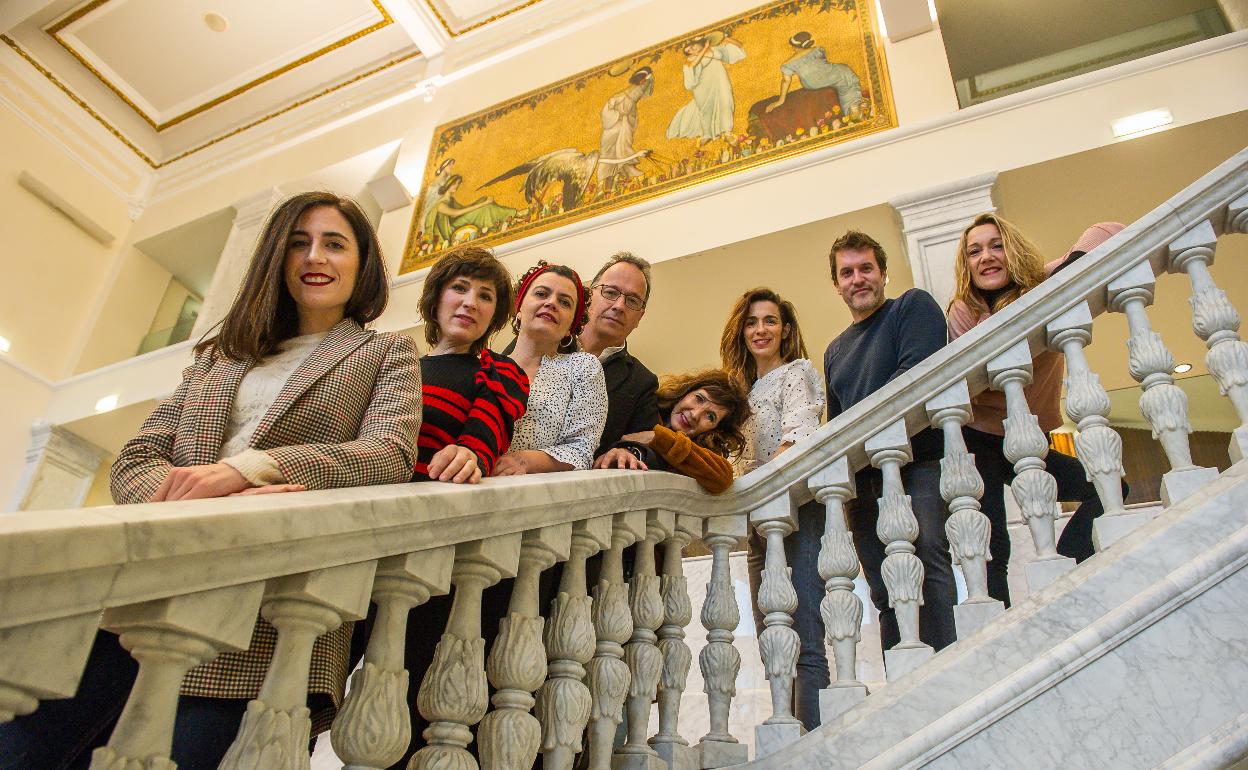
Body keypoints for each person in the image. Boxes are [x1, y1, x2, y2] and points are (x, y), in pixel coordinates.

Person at [0, 192, 421, 769]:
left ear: (362, 263)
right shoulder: (218, 356)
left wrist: (246, 472)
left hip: (265, 613)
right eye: (297, 243)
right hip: (139, 591)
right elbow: (135, 459)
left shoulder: (386, 352)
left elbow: (388, 455)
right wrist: (185, 494)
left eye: (334, 244)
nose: (314, 257)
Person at [947, 215, 1127, 606]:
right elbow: (987, 369)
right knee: (994, 542)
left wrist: (1067, 274)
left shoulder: (1043, 285)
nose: (986, 257)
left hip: (1028, 436)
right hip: (979, 440)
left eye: (996, 245)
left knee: (1112, 488)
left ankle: (1065, 562)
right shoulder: (964, 310)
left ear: (1013, 249)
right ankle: (1000, 624)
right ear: (966, 266)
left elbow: (1108, 229)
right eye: (974, 251)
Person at [823, 230, 957, 660]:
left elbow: (916, 379)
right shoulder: (835, 350)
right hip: (864, 486)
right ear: (836, 284)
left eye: (866, 269)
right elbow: (838, 423)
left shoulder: (911, 307)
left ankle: (946, 665)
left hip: (918, 464)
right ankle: (903, 670)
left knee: (928, 562)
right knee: (883, 587)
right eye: (847, 272)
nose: (857, 279)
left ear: (883, 273)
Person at [720, 287, 827, 730]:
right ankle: (788, 726)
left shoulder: (796, 373)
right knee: (772, 634)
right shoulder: (738, 392)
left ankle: (814, 737)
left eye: (769, 321)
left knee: (804, 631)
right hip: (757, 524)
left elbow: (796, 439)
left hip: (795, 513)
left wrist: (752, 488)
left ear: (785, 330)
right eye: (751, 322)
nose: (760, 329)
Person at [412, 246, 529, 483]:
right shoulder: (398, 363)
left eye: (485, 296)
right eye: (459, 288)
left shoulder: (497, 371)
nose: (470, 303)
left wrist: (469, 455)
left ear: (493, 317)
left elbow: (482, 441)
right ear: (436, 298)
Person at [495, 261, 608, 475]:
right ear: (519, 309)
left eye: (565, 302)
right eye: (541, 294)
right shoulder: (486, 365)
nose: (551, 303)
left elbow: (580, 450)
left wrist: (522, 462)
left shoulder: (582, 368)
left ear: (570, 328)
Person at [596, 368, 750, 493]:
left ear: (716, 429)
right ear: (686, 391)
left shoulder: (699, 451)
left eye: (710, 416)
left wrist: (660, 438)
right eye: (699, 398)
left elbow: (722, 478)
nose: (695, 414)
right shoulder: (645, 405)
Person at [582, 252, 662, 460]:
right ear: (589, 296)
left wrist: (629, 452)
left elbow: (651, 447)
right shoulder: (543, 342)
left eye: (633, 301)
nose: (619, 306)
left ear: (640, 317)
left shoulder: (641, 382)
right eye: (610, 292)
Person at [666, 31, 746, 144]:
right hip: (702, 87)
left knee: (726, 103)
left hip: (720, 80)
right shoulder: (691, 59)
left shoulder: (715, 49)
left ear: (699, 43)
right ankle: (707, 134)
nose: (691, 51)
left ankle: (727, 132)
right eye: (688, 51)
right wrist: (705, 48)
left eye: (692, 47)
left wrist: (726, 39)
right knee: (705, 110)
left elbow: (740, 47)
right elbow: (692, 67)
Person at [599, 67, 655, 189]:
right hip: (612, 129)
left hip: (624, 126)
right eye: (641, 80)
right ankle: (604, 186)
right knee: (609, 154)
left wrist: (648, 77)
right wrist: (618, 116)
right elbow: (606, 112)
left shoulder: (633, 98)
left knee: (623, 147)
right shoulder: (619, 97)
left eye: (644, 80)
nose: (643, 83)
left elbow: (644, 90)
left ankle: (624, 176)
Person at [423, 174, 517, 245]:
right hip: (452, 231)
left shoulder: (451, 200)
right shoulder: (440, 205)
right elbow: (457, 213)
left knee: (483, 199)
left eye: (458, 183)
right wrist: (483, 204)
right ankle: (511, 215)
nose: (457, 186)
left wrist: (482, 201)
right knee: (484, 207)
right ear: (448, 185)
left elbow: (464, 209)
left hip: (458, 221)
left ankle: (507, 216)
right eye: (454, 183)